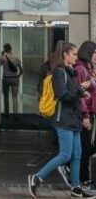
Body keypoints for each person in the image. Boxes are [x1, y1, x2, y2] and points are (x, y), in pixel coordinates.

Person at [28, 41, 94, 198]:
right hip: (63, 119)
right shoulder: (59, 72)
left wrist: (81, 92)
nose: (76, 57)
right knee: (65, 154)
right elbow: (63, 95)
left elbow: (72, 93)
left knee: (77, 154)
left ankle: (76, 188)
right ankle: (37, 177)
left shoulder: (70, 72)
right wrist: (82, 89)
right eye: (74, 54)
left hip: (73, 118)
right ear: (65, 55)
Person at [71, 41, 96, 193]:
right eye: (94, 53)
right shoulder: (81, 69)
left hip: (90, 112)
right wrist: (85, 115)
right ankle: (82, 178)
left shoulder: (88, 69)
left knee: (86, 147)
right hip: (86, 113)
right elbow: (81, 96)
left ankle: (81, 177)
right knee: (85, 148)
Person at [1, 43, 23, 117]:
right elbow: (21, 71)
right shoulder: (16, 58)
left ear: (5, 49)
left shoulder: (4, 58)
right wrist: (17, 76)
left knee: (6, 96)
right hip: (14, 79)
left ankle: (7, 114)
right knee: (15, 97)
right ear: (11, 49)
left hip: (6, 78)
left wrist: (2, 55)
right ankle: (15, 115)